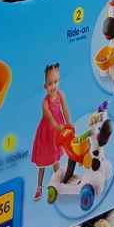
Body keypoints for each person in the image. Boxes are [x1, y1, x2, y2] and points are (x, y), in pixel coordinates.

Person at [31, 63, 71, 201]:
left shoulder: (60, 95)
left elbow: (65, 109)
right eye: (50, 83)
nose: (53, 86)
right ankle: (39, 187)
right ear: (45, 86)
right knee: (42, 163)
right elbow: (50, 118)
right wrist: (58, 127)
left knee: (55, 159)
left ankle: (58, 183)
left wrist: (69, 124)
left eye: (56, 82)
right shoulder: (45, 102)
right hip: (46, 133)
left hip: (57, 132)